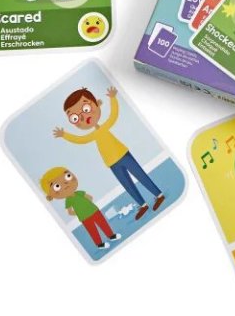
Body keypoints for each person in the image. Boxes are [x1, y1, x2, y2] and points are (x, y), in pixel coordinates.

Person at [53, 86, 165, 220]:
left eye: (86, 109)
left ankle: (158, 195)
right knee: (127, 184)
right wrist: (65, 135)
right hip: (111, 162)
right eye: (75, 118)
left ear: (97, 104)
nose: (84, 117)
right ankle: (143, 205)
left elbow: (113, 115)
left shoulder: (104, 127)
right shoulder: (92, 135)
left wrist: (113, 99)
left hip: (123, 154)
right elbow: (80, 139)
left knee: (140, 175)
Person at [40, 166, 120, 249]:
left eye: (68, 176)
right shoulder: (68, 200)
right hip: (85, 217)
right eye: (57, 186)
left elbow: (89, 197)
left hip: (94, 211)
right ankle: (99, 244)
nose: (65, 184)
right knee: (92, 230)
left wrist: (86, 206)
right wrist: (80, 212)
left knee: (103, 224)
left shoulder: (79, 193)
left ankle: (111, 235)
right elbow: (70, 212)